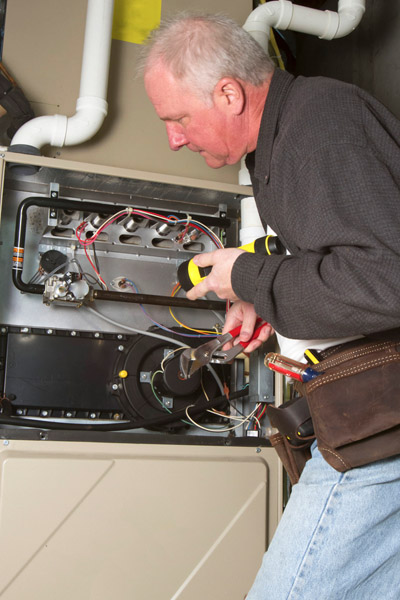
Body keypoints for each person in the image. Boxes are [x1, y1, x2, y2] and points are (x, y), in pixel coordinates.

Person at [142, 13, 400, 600]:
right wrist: (262, 293)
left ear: (229, 93)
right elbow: (346, 251)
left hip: (381, 416)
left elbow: (388, 280)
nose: (174, 138)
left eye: (178, 118)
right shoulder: (287, 138)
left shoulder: (321, 126)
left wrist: (254, 275)